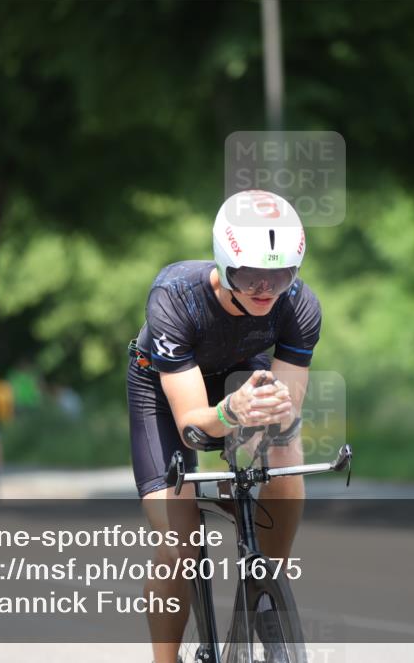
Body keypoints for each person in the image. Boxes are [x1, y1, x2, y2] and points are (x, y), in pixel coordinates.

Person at [127, 189, 320, 663]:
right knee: (179, 544)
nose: (265, 288)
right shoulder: (174, 295)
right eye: (250, 273)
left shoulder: (300, 307)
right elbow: (194, 425)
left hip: (240, 376)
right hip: (165, 389)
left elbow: (286, 409)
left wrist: (267, 417)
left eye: (279, 275)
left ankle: (268, 584)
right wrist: (231, 412)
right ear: (223, 260)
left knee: (285, 451)